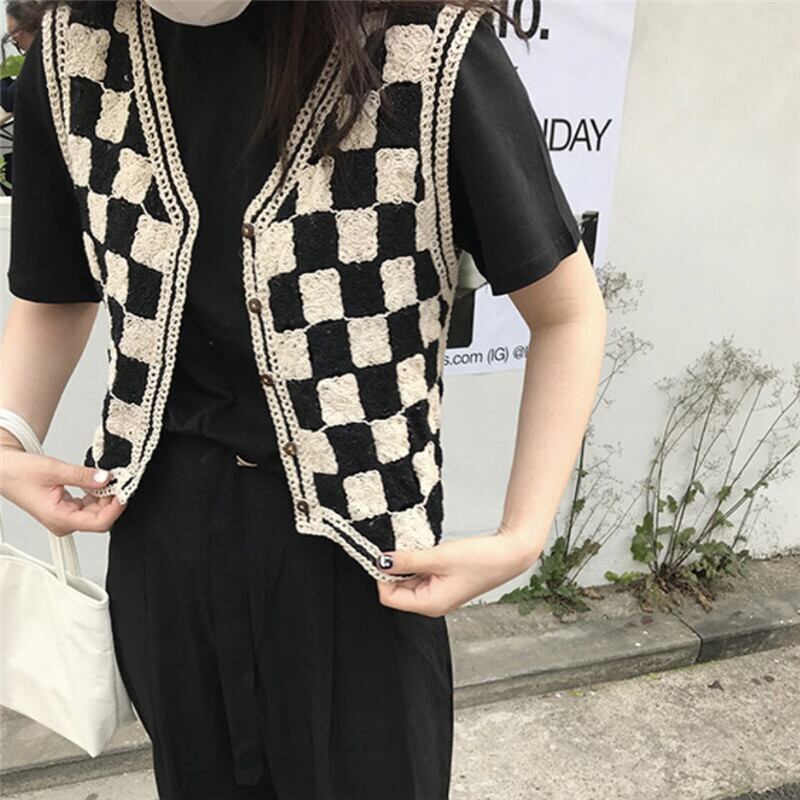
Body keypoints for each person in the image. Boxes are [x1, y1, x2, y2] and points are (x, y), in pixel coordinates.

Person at [0, 0, 607, 798]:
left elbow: (567, 312)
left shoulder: (424, 53)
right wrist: (7, 438)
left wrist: (522, 536)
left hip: (359, 559)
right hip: (160, 540)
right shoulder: (76, 54)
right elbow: (55, 292)